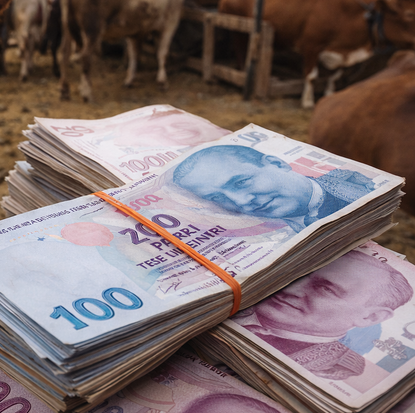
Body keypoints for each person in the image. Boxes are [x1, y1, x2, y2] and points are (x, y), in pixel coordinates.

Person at [232, 251, 413, 380]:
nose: (290, 288)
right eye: (302, 274)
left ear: (371, 317)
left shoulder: (336, 368)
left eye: (325, 289)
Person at [172, 144, 375, 232]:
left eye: (241, 182)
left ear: (277, 164)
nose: (241, 201)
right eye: (216, 196)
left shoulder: (359, 186)